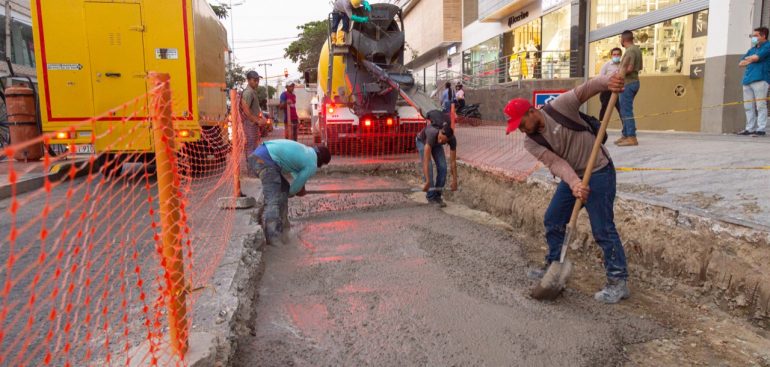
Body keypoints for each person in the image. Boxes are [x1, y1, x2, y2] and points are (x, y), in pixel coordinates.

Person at [503, 72, 630, 304]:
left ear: (531, 112)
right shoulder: (531, 141)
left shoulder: (559, 107)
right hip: (574, 175)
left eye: (521, 124)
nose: (521, 130)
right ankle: (553, 265)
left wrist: (607, 82)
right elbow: (556, 163)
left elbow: (586, 89)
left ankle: (618, 280)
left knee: (602, 228)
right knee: (553, 218)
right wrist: (575, 184)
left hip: (599, 170)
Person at [247, 140, 332, 245]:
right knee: (273, 199)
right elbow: (294, 188)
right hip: (266, 161)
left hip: (259, 155)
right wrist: (295, 192)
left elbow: (295, 173)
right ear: (321, 162)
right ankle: (273, 238)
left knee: (283, 189)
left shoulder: (307, 152)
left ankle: (283, 227)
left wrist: (299, 188)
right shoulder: (312, 164)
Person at [416, 110, 458, 207]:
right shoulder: (432, 133)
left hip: (434, 145)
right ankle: (431, 197)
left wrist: (455, 180)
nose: (440, 141)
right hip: (422, 142)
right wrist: (427, 181)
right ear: (440, 132)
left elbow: (453, 162)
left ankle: (437, 196)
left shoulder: (452, 140)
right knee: (429, 168)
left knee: (443, 168)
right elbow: (426, 162)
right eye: (440, 138)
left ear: (448, 140)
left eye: (443, 141)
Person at [738, 26, 770, 137]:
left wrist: (750, 59)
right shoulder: (752, 49)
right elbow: (740, 63)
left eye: (756, 36)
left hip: (761, 79)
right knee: (748, 106)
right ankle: (749, 128)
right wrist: (751, 58)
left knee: (760, 105)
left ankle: (761, 129)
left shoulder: (768, 46)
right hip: (747, 80)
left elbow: (756, 58)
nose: (753, 38)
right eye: (752, 36)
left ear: (763, 36)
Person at [616, 30, 642, 147]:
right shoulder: (637, 49)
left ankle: (631, 137)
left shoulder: (630, 51)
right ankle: (625, 135)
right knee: (624, 110)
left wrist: (619, 73)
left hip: (629, 83)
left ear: (623, 39)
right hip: (633, 82)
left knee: (626, 110)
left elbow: (630, 68)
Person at [241, 71, 266, 175]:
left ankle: (254, 169)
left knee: (254, 147)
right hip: (249, 124)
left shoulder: (252, 91)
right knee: (251, 147)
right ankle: (251, 171)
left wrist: (261, 117)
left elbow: (255, 109)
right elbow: (246, 110)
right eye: (255, 80)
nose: (257, 82)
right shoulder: (248, 92)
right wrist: (257, 120)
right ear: (249, 80)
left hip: (253, 124)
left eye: (258, 80)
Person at [599, 47, 623, 121]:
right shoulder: (606, 65)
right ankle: (600, 129)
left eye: (618, 54)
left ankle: (625, 130)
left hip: (618, 91)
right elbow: (601, 78)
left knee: (621, 110)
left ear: (621, 55)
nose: (616, 56)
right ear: (611, 55)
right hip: (607, 91)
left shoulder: (622, 65)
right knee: (604, 110)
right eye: (614, 54)